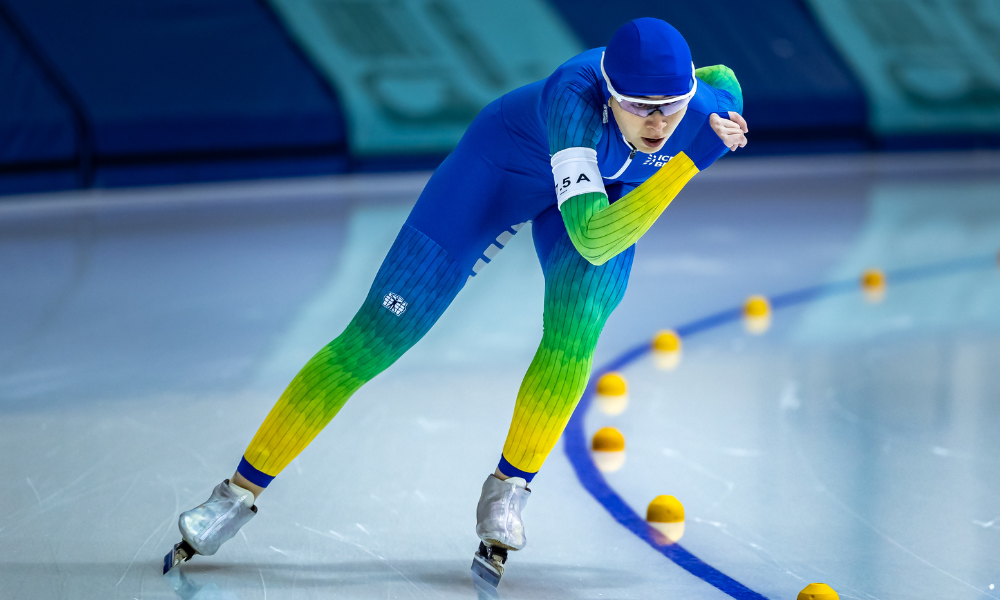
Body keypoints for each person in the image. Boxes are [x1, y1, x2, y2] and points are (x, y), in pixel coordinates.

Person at [164, 17, 748, 581]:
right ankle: (235, 497)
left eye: (671, 106)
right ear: (610, 91)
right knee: (371, 341)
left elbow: (720, 76)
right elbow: (594, 238)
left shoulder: (709, 99)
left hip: (606, 190)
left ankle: (508, 488)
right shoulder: (574, 97)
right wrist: (693, 159)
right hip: (498, 174)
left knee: (575, 334)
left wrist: (696, 128)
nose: (658, 122)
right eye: (640, 106)